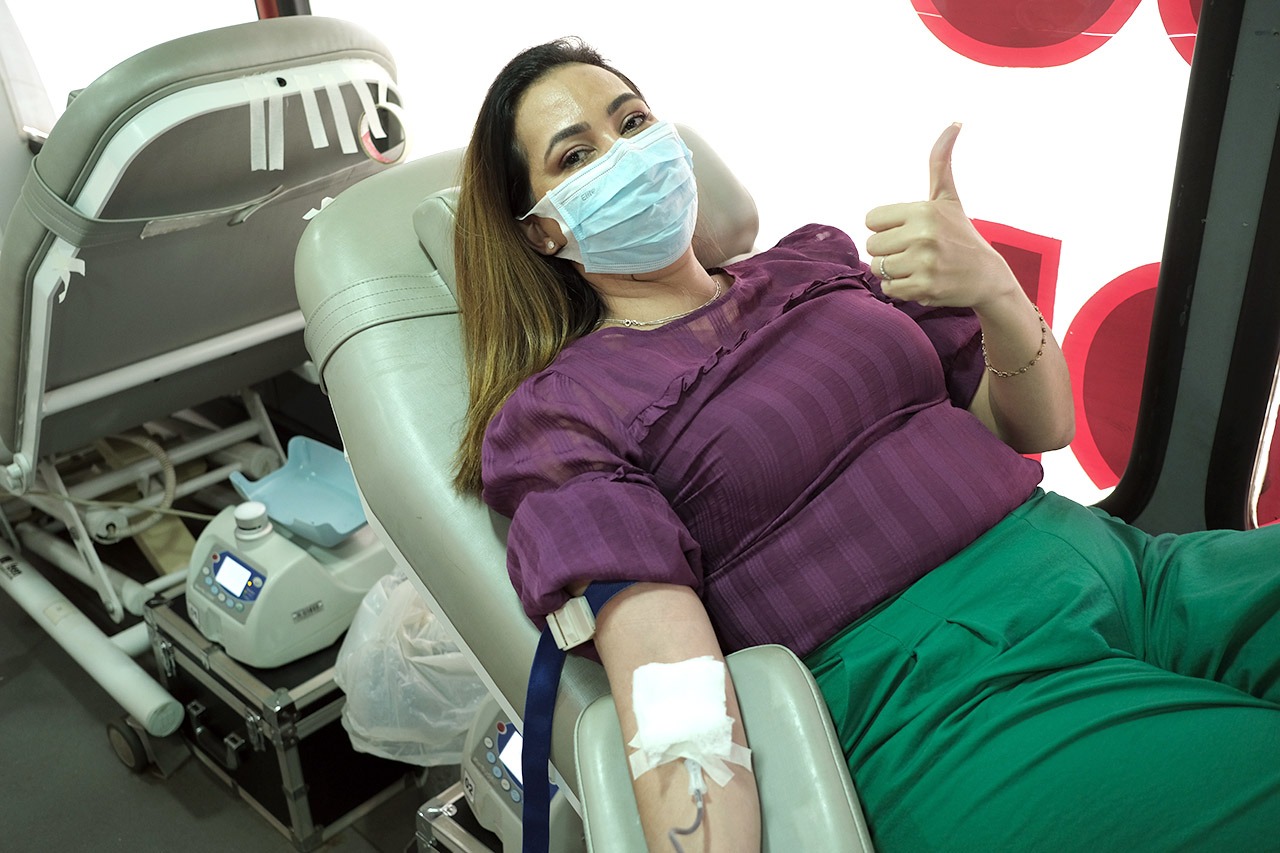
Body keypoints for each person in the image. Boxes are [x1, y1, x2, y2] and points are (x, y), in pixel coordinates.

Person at [451, 37, 1280, 853]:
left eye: (632, 122)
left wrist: (993, 289)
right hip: (954, 695)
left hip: (1131, 570)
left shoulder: (817, 264)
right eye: (576, 155)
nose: (625, 156)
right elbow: (677, 702)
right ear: (544, 232)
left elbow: (1037, 428)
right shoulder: (562, 415)